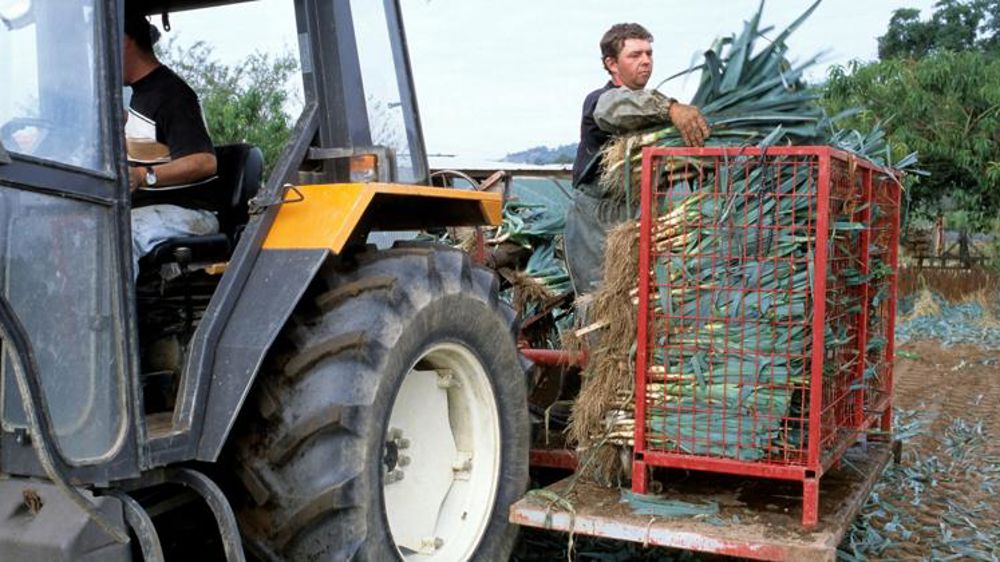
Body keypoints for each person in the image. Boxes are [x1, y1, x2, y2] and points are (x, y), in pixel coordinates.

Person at [565, 23, 710, 294]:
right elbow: (617, 107)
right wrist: (671, 109)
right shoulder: (600, 101)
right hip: (597, 220)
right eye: (635, 55)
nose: (646, 61)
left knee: (641, 302)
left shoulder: (653, 115)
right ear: (612, 63)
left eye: (649, 53)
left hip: (640, 215)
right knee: (602, 301)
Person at [123, 10, 218, 274]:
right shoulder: (139, 96)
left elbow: (204, 162)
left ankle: (111, 316)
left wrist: (143, 176)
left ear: (121, 40)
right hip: (151, 210)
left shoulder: (171, 95)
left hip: (190, 212)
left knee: (117, 236)